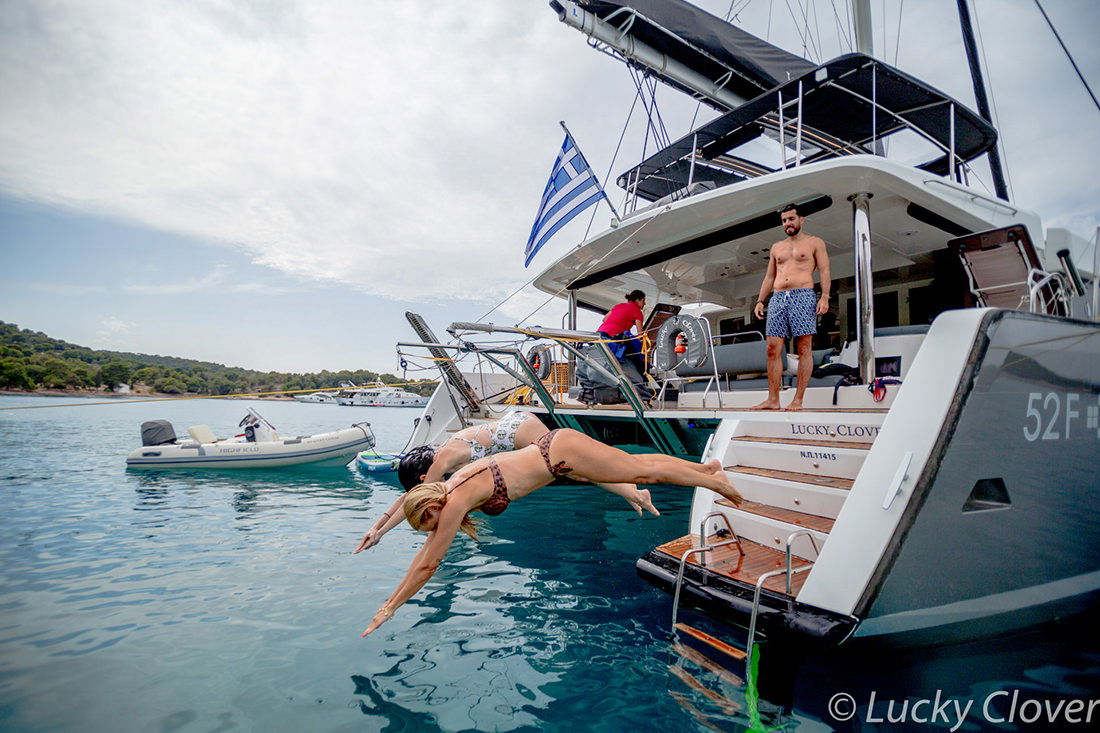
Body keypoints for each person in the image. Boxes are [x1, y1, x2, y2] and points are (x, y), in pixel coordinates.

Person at [360, 428, 743, 636]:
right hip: (556, 451)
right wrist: (379, 529)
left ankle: (713, 481)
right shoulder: (451, 489)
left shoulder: (455, 498)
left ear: (432, 508)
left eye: (430, 522)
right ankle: (707, 470)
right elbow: (418, 519)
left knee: (641, 471)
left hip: (559, 453)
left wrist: (389, 606)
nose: (437, 530)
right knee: (637, 466)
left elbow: (428, 563)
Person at [353, 411, 644, 552]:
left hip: (516, 431)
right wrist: (376, 528)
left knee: (572, 466)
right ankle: (630, 488)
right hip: (515, 425)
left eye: (420, 485)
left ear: (421, 477)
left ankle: (632, 490)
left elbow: (411, 500)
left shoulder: (441, 462)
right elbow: (410, 499)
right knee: (573, 468)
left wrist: (381, 531)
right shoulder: (444, 453)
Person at [751, 203, 830, 411]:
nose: (788, 223)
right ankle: (773, 400)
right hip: (778, 297)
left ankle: (798, 400)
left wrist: (825, 297)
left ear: (801, 220)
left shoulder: (815, 243)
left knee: (804, 347)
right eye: (784, 220)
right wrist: (760, 300)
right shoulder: (777, 246)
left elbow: (824, 270)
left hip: (803, 295)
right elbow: (770, 276)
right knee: (772, 349)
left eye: (791, 219)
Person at [597, 290, 646, 371]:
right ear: (637, 300)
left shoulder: (619, 305)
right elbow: (640, 334)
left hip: (600, 333)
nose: (645, 303)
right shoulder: (637, 311)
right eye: (643, 301)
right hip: (612, 337)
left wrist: (626, 322)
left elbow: (605, 319)